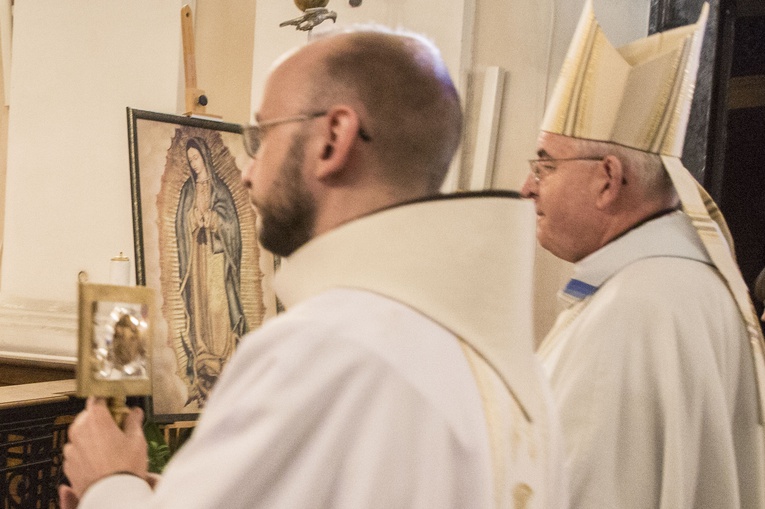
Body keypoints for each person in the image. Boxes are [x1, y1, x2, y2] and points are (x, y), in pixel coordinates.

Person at [61, 26, 569, 508]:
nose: (245, 169)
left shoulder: (324, 347)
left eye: (261, 137)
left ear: (333, 138)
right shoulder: (518, 374)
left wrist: (111, 483)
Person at [521, 1, 765, 507]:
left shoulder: (631, 315)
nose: (527, 188)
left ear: (608, 179)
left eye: (545, 167)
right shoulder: (684, 285)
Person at [176, 136, 248, 407]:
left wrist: (215, 220)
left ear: (205, 157)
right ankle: (204, 356)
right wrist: (193, 219)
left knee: (218, 306)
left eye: (197, 158)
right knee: (201, 305)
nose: (194, 164)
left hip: (217, 256)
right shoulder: (187, 190)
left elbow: (232, 225)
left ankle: (223, 356)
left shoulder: (220, 189)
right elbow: (182, 223)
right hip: (197, 255)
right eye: (190, 160)